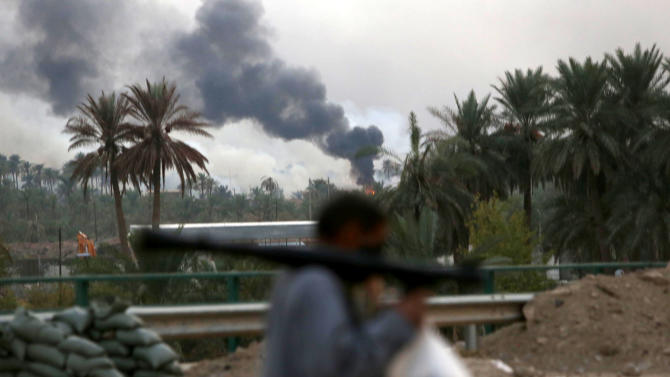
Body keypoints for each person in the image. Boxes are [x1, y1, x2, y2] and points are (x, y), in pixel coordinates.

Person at [262, 193, 428, 377]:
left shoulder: (296, 276)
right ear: (350, 234)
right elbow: (338, 368)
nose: (377, 258)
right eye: (376, 247)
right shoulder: (316, 284)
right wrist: (400, 320)